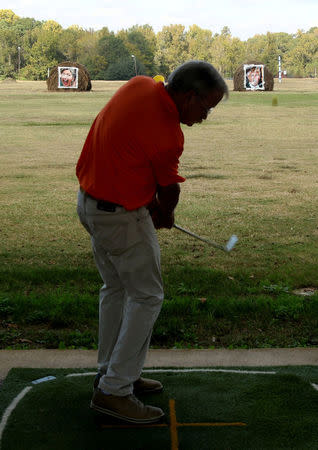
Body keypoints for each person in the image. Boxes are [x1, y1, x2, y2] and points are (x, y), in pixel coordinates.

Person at [76, 60, 228, 424]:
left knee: (116, 289)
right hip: (119, 217)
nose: (206, 116)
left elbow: (130, 155)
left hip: (89, 203)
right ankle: (114, 391)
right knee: (147, 296)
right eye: (205, 107)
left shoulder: (138, 85)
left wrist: (152, 207)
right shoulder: (169, 134)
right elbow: (168, 190)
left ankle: (113, 371)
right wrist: (164, 214)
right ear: (189, 96)